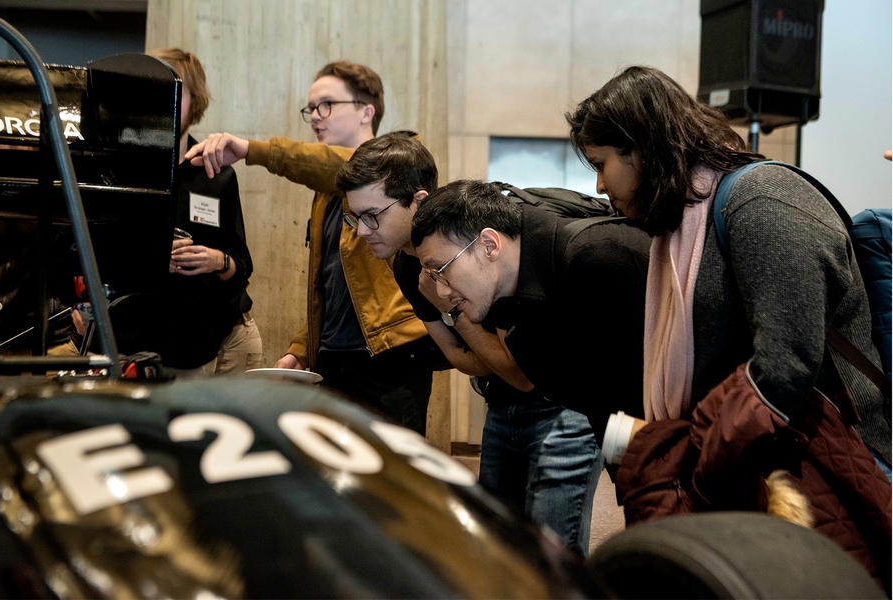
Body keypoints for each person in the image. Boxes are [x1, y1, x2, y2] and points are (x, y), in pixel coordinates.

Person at [566, 65, 891, 585]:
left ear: (641, 148)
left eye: (602, 164)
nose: (600, 183)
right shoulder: (685, 222)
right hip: (764, 460)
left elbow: (785, 367)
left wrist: (695, 467)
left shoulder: (763, 202)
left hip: (832, 459)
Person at [335, 133, 603, 556]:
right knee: (497, 547)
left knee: (553, 558)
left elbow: (518, 370)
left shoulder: (475, 247)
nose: (363, 232)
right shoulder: (409, 265)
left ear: (418, 201)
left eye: (373, 216)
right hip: (502, 406)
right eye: (355, 218)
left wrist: (449, 305)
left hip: (562, 404)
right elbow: (462, 359)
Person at [185, 61, 434, 434]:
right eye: (311, 108)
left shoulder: (399, 167)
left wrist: (252, 149)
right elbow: (331, 286)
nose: (316, 117)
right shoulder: (326, 190)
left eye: (327, 105)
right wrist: (301, 348)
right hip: (333, 361)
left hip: (387, 358)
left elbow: (341, 163)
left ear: (367, 111)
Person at [410, 179, 651, 549]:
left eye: (443, 270)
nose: (440, 291)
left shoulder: (599, 258)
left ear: (490, 244)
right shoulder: (510, 303)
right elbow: (597, 401)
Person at [113, 48, 261, 377]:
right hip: (131, 344)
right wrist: (151, 260)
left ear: (195, 103)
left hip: (202, 343)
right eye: (153, 89)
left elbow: (241, 267)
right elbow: (92, 256)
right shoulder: (117, 169)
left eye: (176, 90)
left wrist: (216, 261)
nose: (163, 100)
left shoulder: (215, 175)